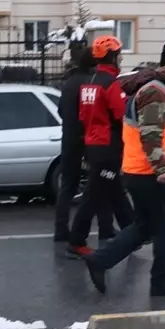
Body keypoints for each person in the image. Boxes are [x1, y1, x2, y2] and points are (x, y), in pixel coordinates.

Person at [82, 40, 165, 297]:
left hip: (141, 171)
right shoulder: (155, 92)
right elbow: (150, 134)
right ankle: (161, 281)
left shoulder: (163, 88)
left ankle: (100, 261)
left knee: (145, 227)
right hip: (151, 174)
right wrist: (162, 168)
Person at [65, 35, 133, 259]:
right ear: (113, 57)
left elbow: (83, 115)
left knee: (114, 189)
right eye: (119, 54)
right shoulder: (110, 84)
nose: (121, 58)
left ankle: (133, 231)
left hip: (93, 144)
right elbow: (121, 115)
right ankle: (76, 242)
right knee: (93, 196)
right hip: (108, 147)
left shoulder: (90, 83)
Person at [54, 48, 114, 245]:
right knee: (99, 183)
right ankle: (106, 227)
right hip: (91, 138)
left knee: (68, 186)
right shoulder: (92, 83)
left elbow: (61, 110)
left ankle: (61, 229)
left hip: (69, 138)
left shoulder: (69, 83)